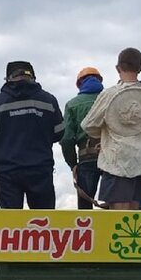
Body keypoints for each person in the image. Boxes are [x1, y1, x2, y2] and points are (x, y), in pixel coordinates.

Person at [81, 47, 141, 210]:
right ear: (140, 69)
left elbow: (88, 125)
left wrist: (105, 133)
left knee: (117, 219)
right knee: (133, 216)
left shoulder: (110, 94)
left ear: (118, 68)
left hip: (117, 162)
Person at [0, 60, 64, 209]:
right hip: (40, 170)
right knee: (44, 221)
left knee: (11, 224)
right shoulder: (49, 101)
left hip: (7, 171)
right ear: (33, 77)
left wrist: (4, 139)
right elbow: (60, 132)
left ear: (8, 78)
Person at [60, 66, 106, 209]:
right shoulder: (110, 100)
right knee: (116, 203)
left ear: (79, 84)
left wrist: (73, 164)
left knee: (85, 207)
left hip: (87, 158)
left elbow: (66, 139)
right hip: (112, 157)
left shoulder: (72, 104)